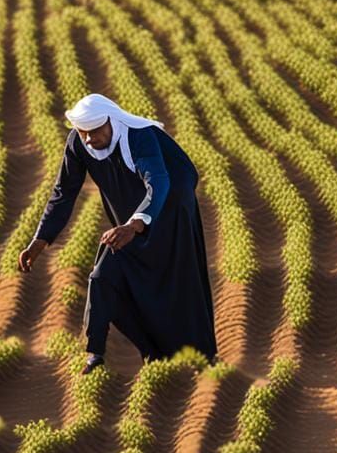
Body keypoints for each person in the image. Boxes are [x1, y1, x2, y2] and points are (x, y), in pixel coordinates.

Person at [19, 90, 217, 373]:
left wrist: (135, 224)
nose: (89, 139)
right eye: (83, 132)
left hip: (168, 216)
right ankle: (96, 353)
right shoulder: (79, 142)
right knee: (102, 277)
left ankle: (202, 359)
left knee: (179, 288)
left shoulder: (139, 136)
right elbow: (63, 192)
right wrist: (41, 239)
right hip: (128, 223)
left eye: (95, 131)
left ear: (111, 122)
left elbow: (158, 181)